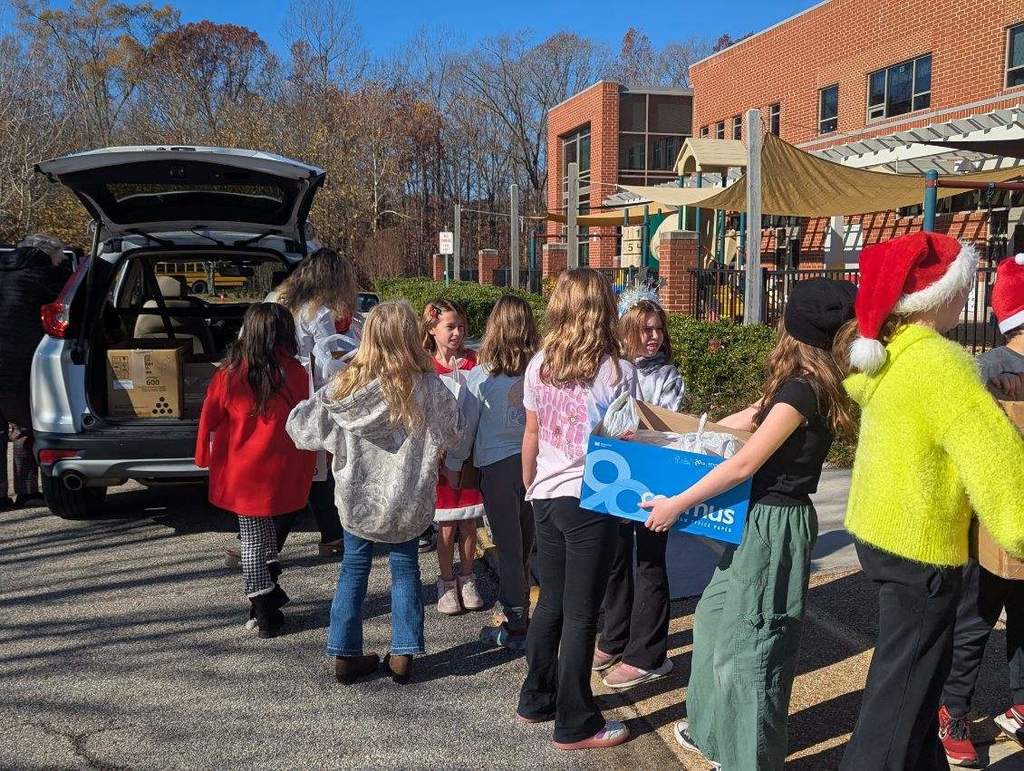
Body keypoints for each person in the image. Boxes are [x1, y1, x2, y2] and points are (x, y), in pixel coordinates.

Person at [641, 279, 857, 770]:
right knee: (715, 620)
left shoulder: (803, 391)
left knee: (753, 646)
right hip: (756, 519)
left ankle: (747, 759)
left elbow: (744, 463)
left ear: (794, 328)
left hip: (773, 525)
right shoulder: (797, 382)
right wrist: (672, 435)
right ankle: (711, 731)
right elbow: (746, 419)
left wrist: (676, 503)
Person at [834, 232, 1024, 771]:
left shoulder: (892, 353)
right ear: (939, 293)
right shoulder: (942, 364)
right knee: (900, 698)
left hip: (881, 532)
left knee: (915, 684)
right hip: (921, 545)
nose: (966, 296)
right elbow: (997, 462)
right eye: (962, 285)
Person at [286, 301, 462, 685]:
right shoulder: (428, 387)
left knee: (353, 568)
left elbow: (300, 428)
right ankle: (403, 652)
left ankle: (345, 652)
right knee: (405, 568)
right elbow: (455, 428)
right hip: (407, 500)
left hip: (358, 499)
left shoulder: (345, 387)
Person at [516, 268, 638, 751]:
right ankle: (576, 722)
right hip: (591, 498)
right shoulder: (616, 371)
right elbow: (626, 442)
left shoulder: (539, 364)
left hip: (546, 493)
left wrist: (530, 485)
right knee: (583, 614)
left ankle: (536, 696)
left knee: (551, 601)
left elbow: (531, 433)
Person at [938, 253, 1024, 767]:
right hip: (989, 521)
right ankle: (953, 710)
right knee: (975, 620)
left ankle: (1020, 705)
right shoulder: (988, 369)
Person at [223, 247, 360, 563]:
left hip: (265, 390)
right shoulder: (318, 312)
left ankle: (330, 535)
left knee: (307, 468)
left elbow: (245, 341)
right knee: (303, 469)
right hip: (303, 394)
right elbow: (329, 358)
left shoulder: (274, 299)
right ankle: (265, 544)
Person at [195, 303, 316, 638]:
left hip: (242, 470)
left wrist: (202, 456)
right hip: (284, 469)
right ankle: (266, 599)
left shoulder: (229, 375)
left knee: (251, 539)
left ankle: (263, 607)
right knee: (266, 538)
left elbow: (210, 418)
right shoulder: (296, 373)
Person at [595, 285, 684, 689]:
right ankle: (614, 636)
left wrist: (636, 430)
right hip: (617, 474)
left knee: (649, 561)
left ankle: (647, 653)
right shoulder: (611, 369)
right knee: (615, 558)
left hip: (654, 477)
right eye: (645, 329)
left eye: (658, 329)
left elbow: (668, 423)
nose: (654, 336)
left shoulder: (668, 376)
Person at [444, 295, 539, 651]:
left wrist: (455, 465)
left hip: (496, 468)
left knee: (509, 546)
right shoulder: (542, 371)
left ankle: (516, 620)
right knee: (527, 542)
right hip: (537, 465)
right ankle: (523, 610)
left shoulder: (480, 376)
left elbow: (466, 428)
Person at [422, 299, 485, 616]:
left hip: (470, 452)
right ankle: (446, 581)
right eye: (450, 327)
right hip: (441, 455)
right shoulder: (425, 366)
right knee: (447, 524)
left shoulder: (474, 361)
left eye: (461, 326)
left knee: (469, 521)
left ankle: (468, 577)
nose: (457, 333)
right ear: (432, 329)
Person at [0, 234, 71, 510]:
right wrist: (63, 271)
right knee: (24, 428)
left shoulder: (5, 271)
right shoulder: (42, 275)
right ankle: (27, 492)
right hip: (16, 363)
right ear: (51, 255)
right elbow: (66, 301)